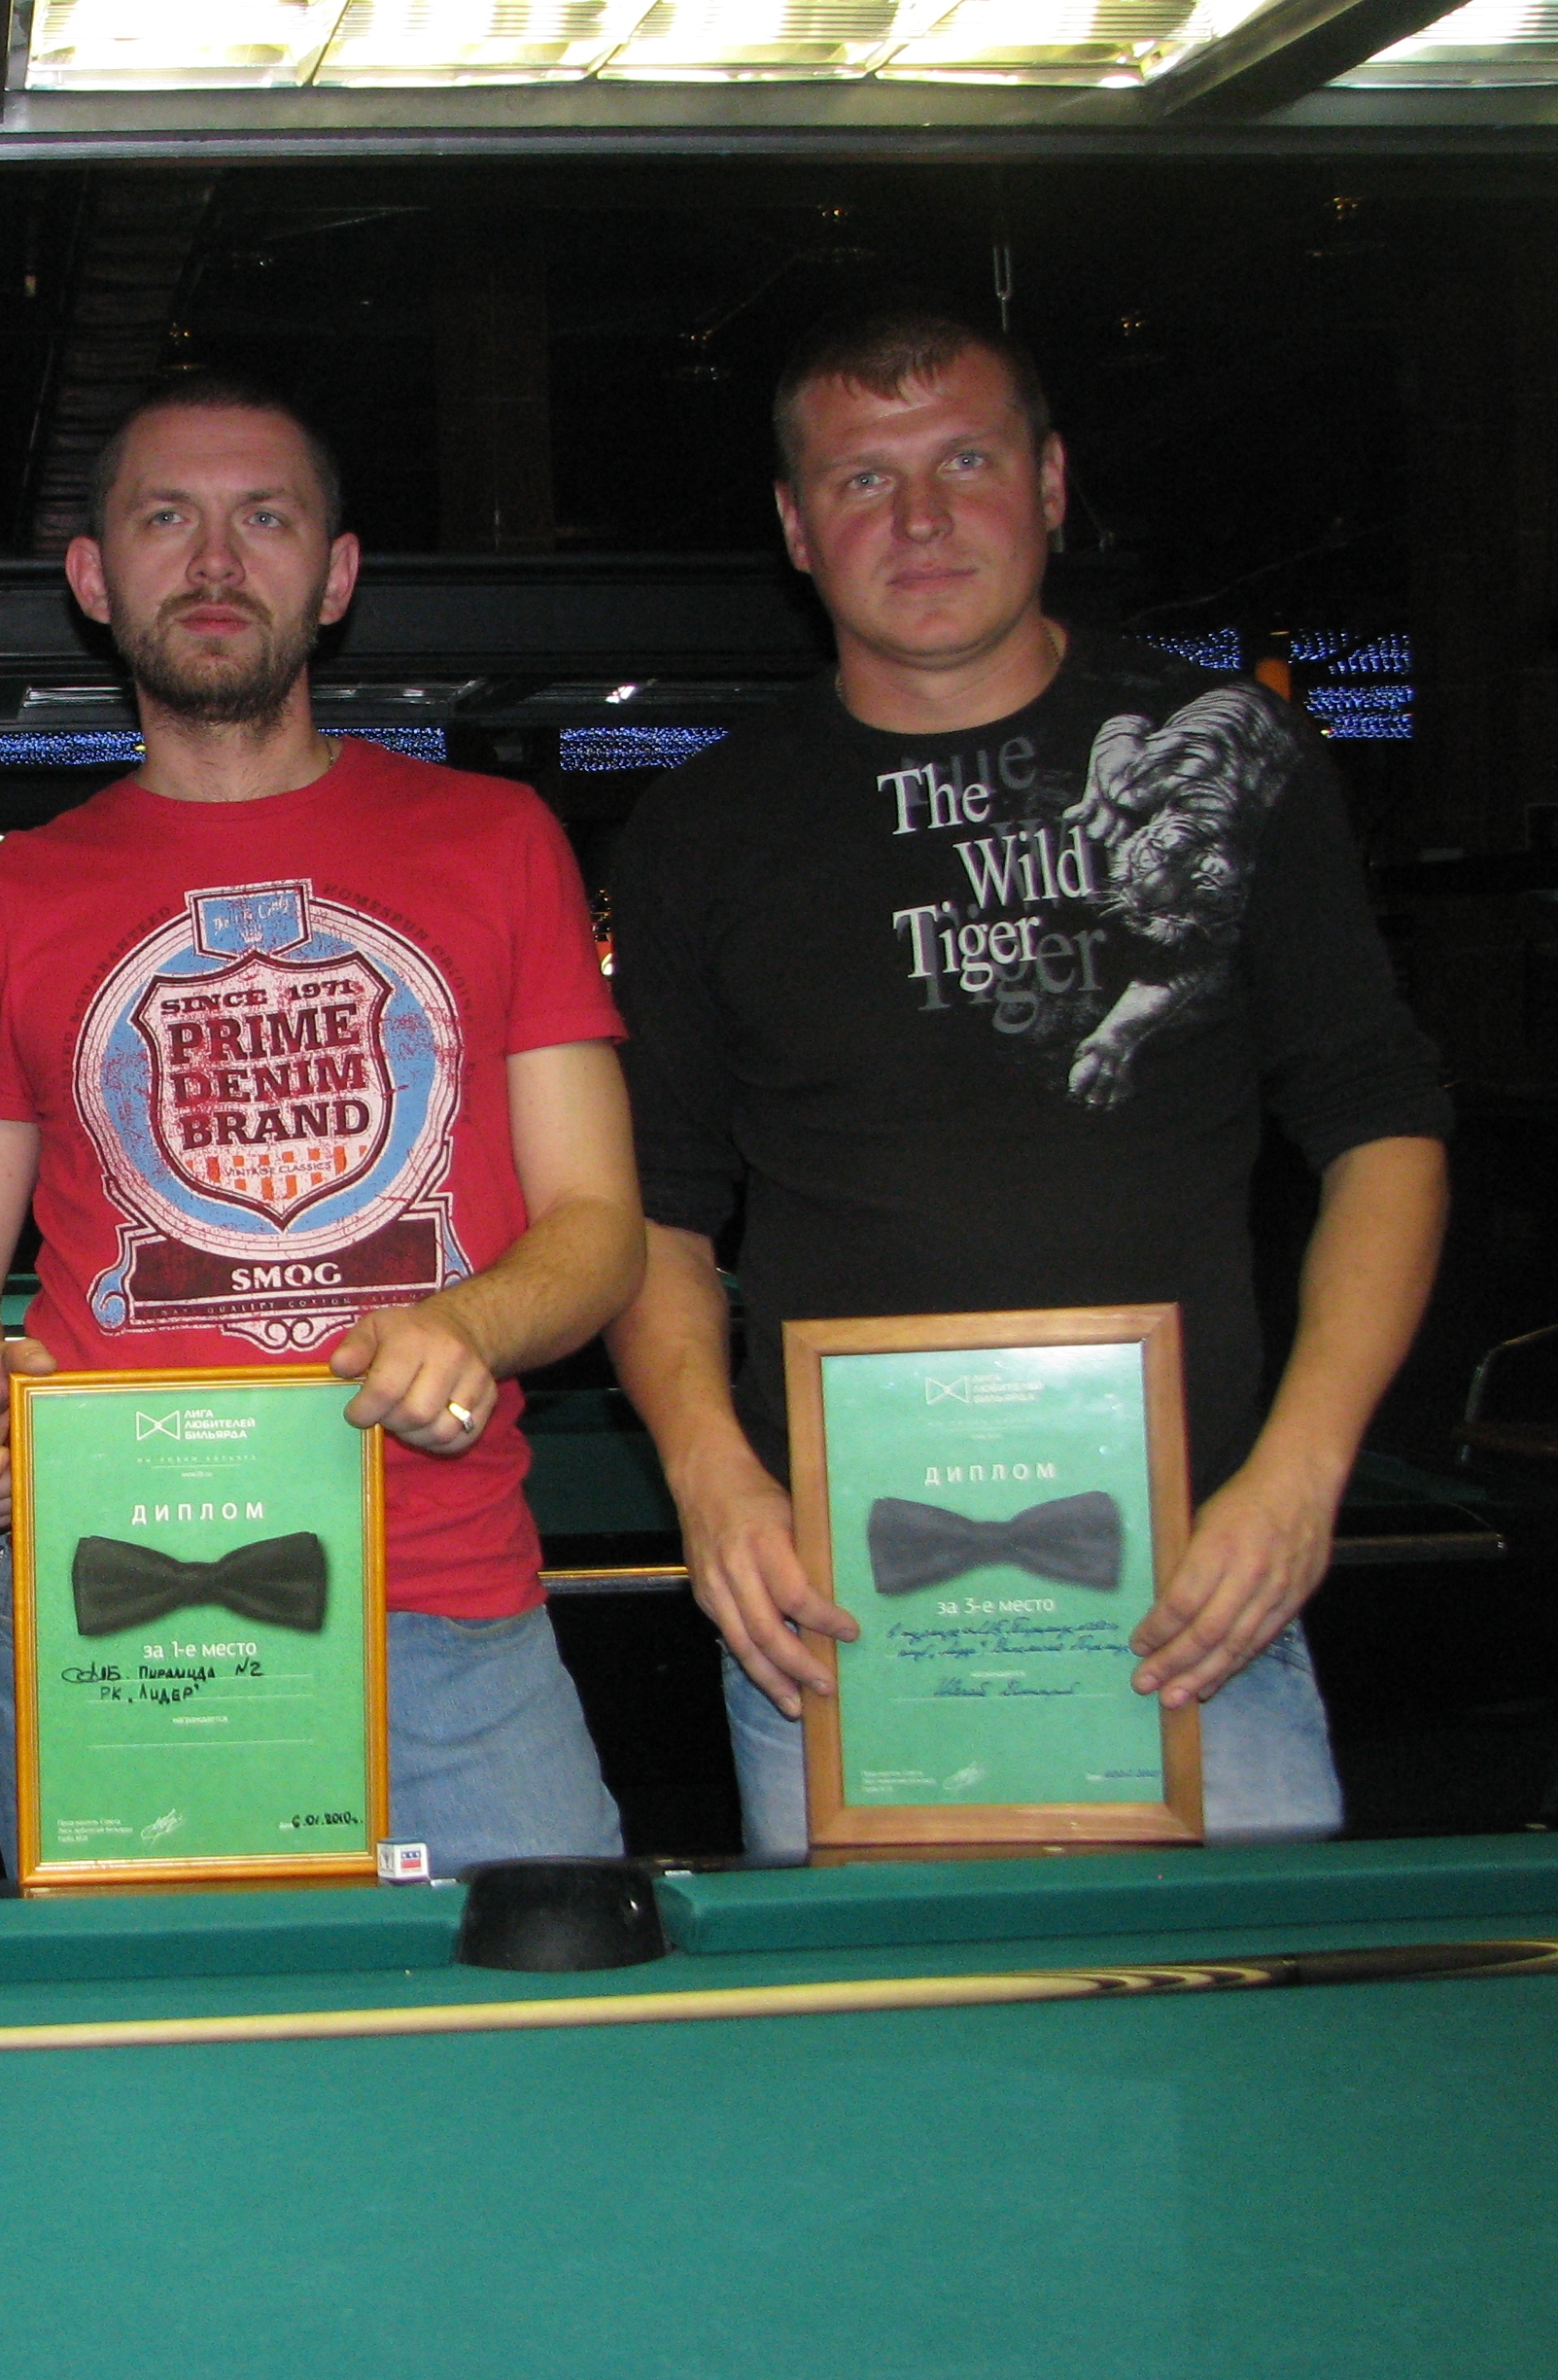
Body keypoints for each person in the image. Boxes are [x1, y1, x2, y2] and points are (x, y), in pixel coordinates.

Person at [604, 303, 1450, 1860]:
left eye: (967, 462)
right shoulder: (702, 829)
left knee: (1234, 2023)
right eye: (864, 479)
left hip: (1201, 1605)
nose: (921, 519)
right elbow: (657, 1206)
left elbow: (1380, 1123)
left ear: (1051, 484)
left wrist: (1301, 1475)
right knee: (885, 2023)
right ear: (796, 527)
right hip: (835, 1618)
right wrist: (712, 1481)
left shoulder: (1234, 757)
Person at [0, 372, 646, 1872]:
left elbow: (599, 1226)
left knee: (540, 2013)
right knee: (158, 2034)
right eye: (167, 519)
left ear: (336, 575)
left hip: (446, 1609)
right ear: (94, 577)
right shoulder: (9, 895)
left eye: (267, 519)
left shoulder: (497, 842)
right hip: (110, 1609)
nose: (217, 560)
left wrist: (469, 1325)